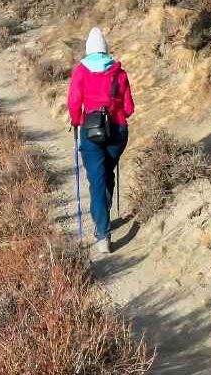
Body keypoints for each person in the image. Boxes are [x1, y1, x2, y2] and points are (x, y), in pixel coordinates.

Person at [66, 27, 134, 254]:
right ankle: (102, 217)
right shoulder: (119, 72)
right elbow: (129, 108)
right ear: (105, 49)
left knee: (97, 180)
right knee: (107, 174)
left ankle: (103, 233)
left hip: (91, 132)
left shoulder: (81, 71)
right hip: (117, 132)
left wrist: (76, 120)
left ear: (88, 50)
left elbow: (74, 102)